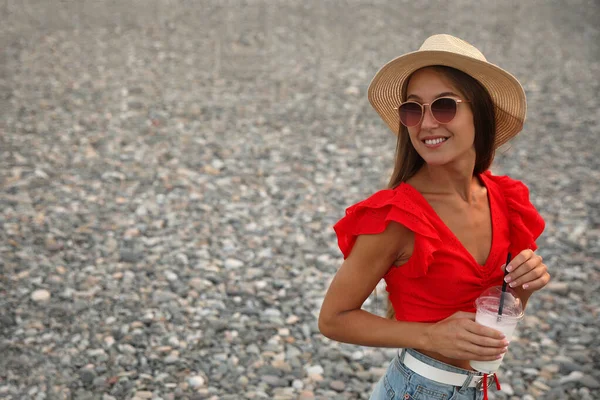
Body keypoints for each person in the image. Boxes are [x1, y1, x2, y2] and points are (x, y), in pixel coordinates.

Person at [318, 34, 549, 400]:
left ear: (481, 112)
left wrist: (525, 282)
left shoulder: (504, 198)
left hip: (479, 389)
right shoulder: (397, 217)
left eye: (444, 106)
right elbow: (333, 318)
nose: (426, 124)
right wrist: (428, 334)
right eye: (413, 109)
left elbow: (499, 307)